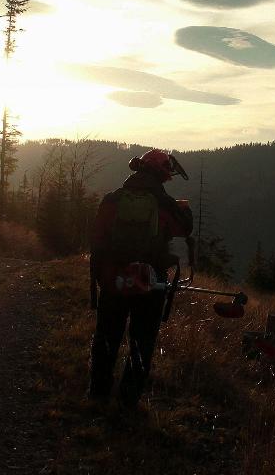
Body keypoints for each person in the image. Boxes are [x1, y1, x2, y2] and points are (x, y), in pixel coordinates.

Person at [87, 148, 194, 407]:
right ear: (161, 174)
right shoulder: (166, 205)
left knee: (106, 336)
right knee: (142, 341)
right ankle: (127, 401)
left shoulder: (112, 200)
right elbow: (183, 230)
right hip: (150, 282)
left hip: (114, 279)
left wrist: (103, 274)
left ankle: (98, 394)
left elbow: (97, 238)